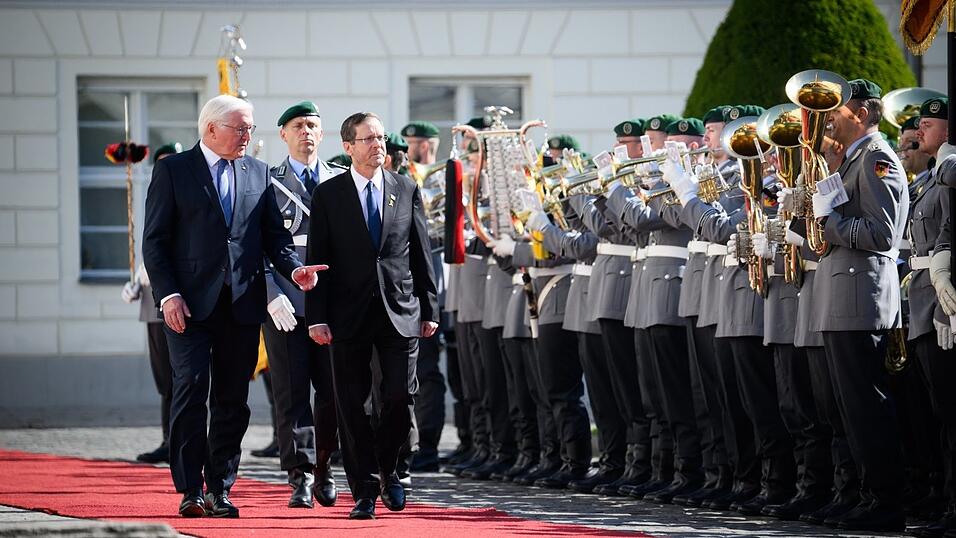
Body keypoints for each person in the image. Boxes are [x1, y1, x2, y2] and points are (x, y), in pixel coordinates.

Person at [142, 94, 326, 519]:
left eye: (250, 128)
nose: (248, 136)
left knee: (232, 399)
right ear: (211, 130)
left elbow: (274, 239)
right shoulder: (173, 170)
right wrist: (168, 295)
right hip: (186, 305)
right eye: (240, 128)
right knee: (190, 391)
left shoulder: (258, 173)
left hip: (241, 305)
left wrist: (293, 269)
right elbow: (155, 241)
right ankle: (189, 488)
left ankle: (219, 487)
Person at [305, 112, 438, 520]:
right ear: (348, 147)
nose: (377, 145)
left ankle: (388, 470)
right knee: (353, 404)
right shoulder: (329, 195)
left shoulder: (406, 187)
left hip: (399, 310)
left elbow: (420, 253)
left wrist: (430, 307)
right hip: (347, 315)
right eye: (368, 139)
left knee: (399, 395)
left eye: (380, 138)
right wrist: (316, 317)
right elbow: (318, 260)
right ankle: (363, 488)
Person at [807, 79, 908, 532]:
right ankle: (866, 495)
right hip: (840, 296)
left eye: (839, 109)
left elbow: (883, 236)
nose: (830, 117)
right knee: (844, 408)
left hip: (860, 296)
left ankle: (885, 502)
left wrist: (830, 221)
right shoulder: (851, 160)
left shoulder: (878, 158)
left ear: (864, 113)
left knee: (867, 406)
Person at [262, 101, 344, 509]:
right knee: (291, 392)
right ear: (283, 134)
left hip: (331, 304)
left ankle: (326, 464)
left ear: (322, 134)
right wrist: (269, 293)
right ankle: (300, 474)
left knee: (332, 393)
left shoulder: (341, 179)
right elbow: (251, 244)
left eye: (313, 125)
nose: (306, 132)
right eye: (298, 125)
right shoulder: (265, 180)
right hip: (285, 302)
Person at [122, 142, 181, 464]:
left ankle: (185, 441)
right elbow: (150, 241)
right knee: (164, 379)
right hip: (153, 300)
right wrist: (136, 278)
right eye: (161, 163)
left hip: (177, 294)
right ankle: (168, 439)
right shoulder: (154, 192)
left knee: (184, 377)